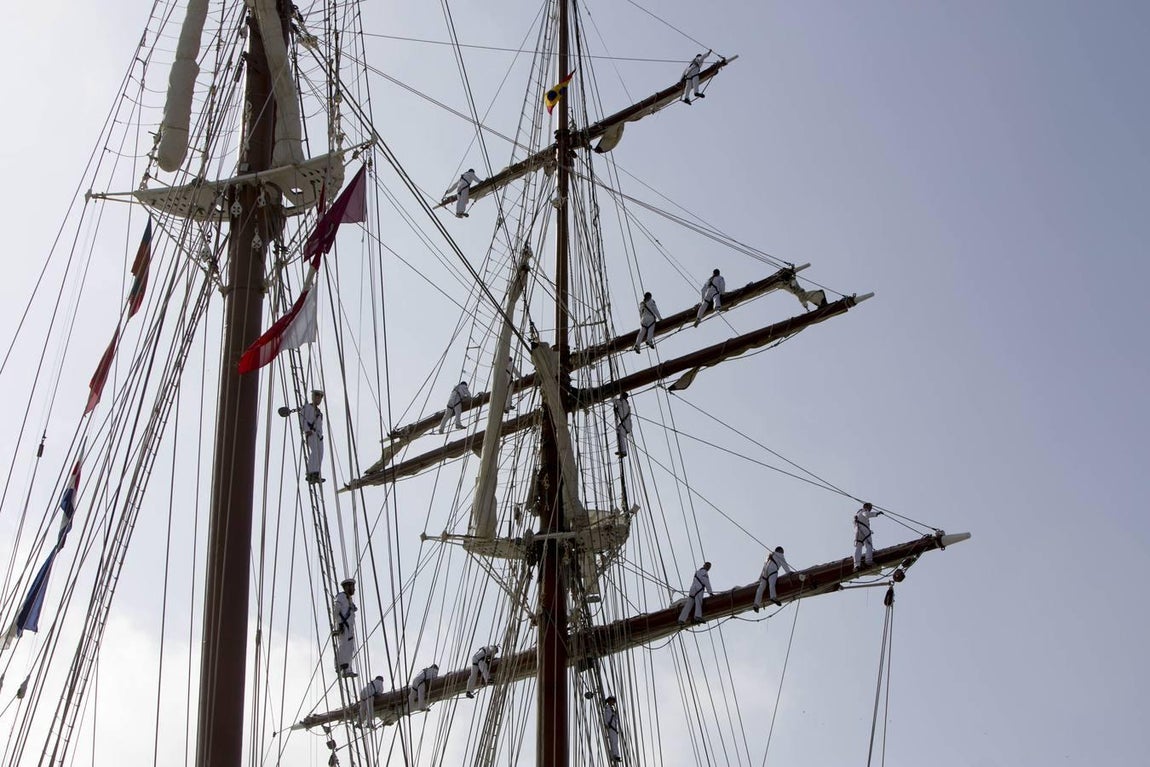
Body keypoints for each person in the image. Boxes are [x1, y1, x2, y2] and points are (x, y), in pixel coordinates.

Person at [753, 546, 803, 610]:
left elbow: (764, 567)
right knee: (772, 584)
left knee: (760, 588)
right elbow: (784, 564)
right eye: (782, 552)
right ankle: (773, 597)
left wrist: (759, 579)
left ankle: (756, 604)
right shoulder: (780, 554)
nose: (783, 553)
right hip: (772, 570)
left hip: (764, 573)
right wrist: (788, 572)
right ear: (780, 550)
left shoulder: (769, 556)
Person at [331, 578, 358, 678]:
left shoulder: (348, 599)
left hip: (349, 627)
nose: (354, 589)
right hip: (344, 626)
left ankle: (347, 669)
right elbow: (336, 611)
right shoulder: (341, 597)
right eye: (352, 587)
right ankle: (339, 665)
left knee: (349, 648)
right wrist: (337, 627)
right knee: (344, 646)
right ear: (347, 587)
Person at [300, 389, 325, 484]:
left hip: (318, 435)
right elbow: (302, 419)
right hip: (311, 433)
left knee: (320, 453)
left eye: (320, 398)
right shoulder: (307, 408)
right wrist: (307, 430)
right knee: (314, 452)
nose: (319, 400)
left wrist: (320, 435)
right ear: (314, 397)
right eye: (318, 397)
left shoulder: (319, 412)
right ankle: (310, 473)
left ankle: (316, 473)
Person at [853, 502, 884, 570]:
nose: (870, 509)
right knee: (869, 545)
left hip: (857, 531)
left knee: (858, 547)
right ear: (866, 507)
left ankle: (856, 565)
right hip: (864, 530)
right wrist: (876, 513)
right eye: (870, 508)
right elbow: (866, 514)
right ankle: (868, 560)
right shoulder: (864, 511)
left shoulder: (857, 514)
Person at [602, 695, 623, 763]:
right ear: (609, 701)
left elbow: (615, 719)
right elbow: (606, 716)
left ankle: (616, 754)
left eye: (614, 701)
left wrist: (616, 714)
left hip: (614, 728)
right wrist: (606, 724)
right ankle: (614, 755)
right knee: (613, 741)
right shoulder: (607, 708)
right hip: (610, 727)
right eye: (612, 701)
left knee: (615, 742)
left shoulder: (612, 709)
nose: (613, 702)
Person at [613, 392, 633, 457]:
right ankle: (621, 450)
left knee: (620, 434)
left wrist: (611, 395)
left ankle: (623, 451)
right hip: (627, 424)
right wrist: (617, 410)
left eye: (621, 396)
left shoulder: (622, 402)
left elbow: (614, 401)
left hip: (625, 424)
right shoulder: (626, 404)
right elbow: (621, 410)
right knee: (619, 432)